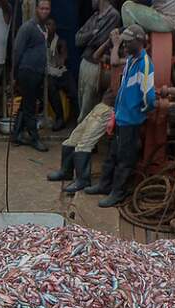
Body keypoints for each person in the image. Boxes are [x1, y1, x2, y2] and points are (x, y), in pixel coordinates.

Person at [85, 25, 156, 208]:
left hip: (131, 121)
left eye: (127, 41)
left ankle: (117, 192)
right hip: (121, 117)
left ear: (139, 41)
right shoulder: (131, 59)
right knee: (112, 154)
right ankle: (104, 185)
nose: (124, 43)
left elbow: (149, 98)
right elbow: (123, 90)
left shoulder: (145, 64)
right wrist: (116, 113)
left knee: (125, 160)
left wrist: (138, 113)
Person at [47, 29, 124, 193]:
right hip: (102, 105)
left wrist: (116, 45)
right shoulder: (116, 55)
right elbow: (95, 57)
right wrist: (108, 42)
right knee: (73, 138)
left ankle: (83, 180)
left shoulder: (126, 60)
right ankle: (66, 171)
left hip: (111, 109)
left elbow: (116, 63)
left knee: (85, 143)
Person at [11, 0, 51, 152]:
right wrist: (15, 75)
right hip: (27, 71)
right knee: (29, 107)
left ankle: (16, 134)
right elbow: (17, 50)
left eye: (47, 9)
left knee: (25, 104)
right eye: (42, 8)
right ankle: (35, 139)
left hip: (36, 72)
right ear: (36, 9)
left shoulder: (42, 28)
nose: (45, 11)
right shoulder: (28, 27)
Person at [75, 0, 121, 122]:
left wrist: (90, 36)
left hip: (97, 66)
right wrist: (92, 33)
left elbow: (99, 40)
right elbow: (78, 39)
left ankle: (84, 139)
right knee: (83, 105)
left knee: (89, 108)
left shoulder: (113, 15)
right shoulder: (95, 16)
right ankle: (81, 137)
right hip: (86, 62)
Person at [45, 17, 77, 132]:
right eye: (47, 24)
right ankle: (60, 118)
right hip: (48, 73)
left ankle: (78, 119)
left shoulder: (60, 42)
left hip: (60, 71)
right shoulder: (41, 41)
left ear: (55, 27)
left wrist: (59, 56)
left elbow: (63, 60)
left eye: (52, 25)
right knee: (50, 87)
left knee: (73, 91)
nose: (49, 27)